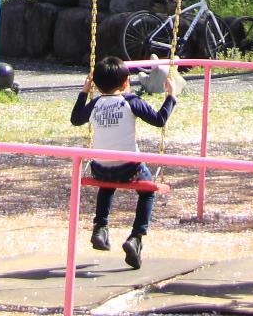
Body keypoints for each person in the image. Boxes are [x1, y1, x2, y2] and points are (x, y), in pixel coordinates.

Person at [70, 56, 177, 269]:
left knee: (107, 185)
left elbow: (75, 119)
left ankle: (100, 227)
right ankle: (136, 237)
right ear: (126, 81)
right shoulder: (131, 101)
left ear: (95, 84)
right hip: (129, 168)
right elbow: (159, 120)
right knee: (147, 191)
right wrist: (171, 96)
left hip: (100, 168)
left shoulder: (94, 103)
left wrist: (84, 92)